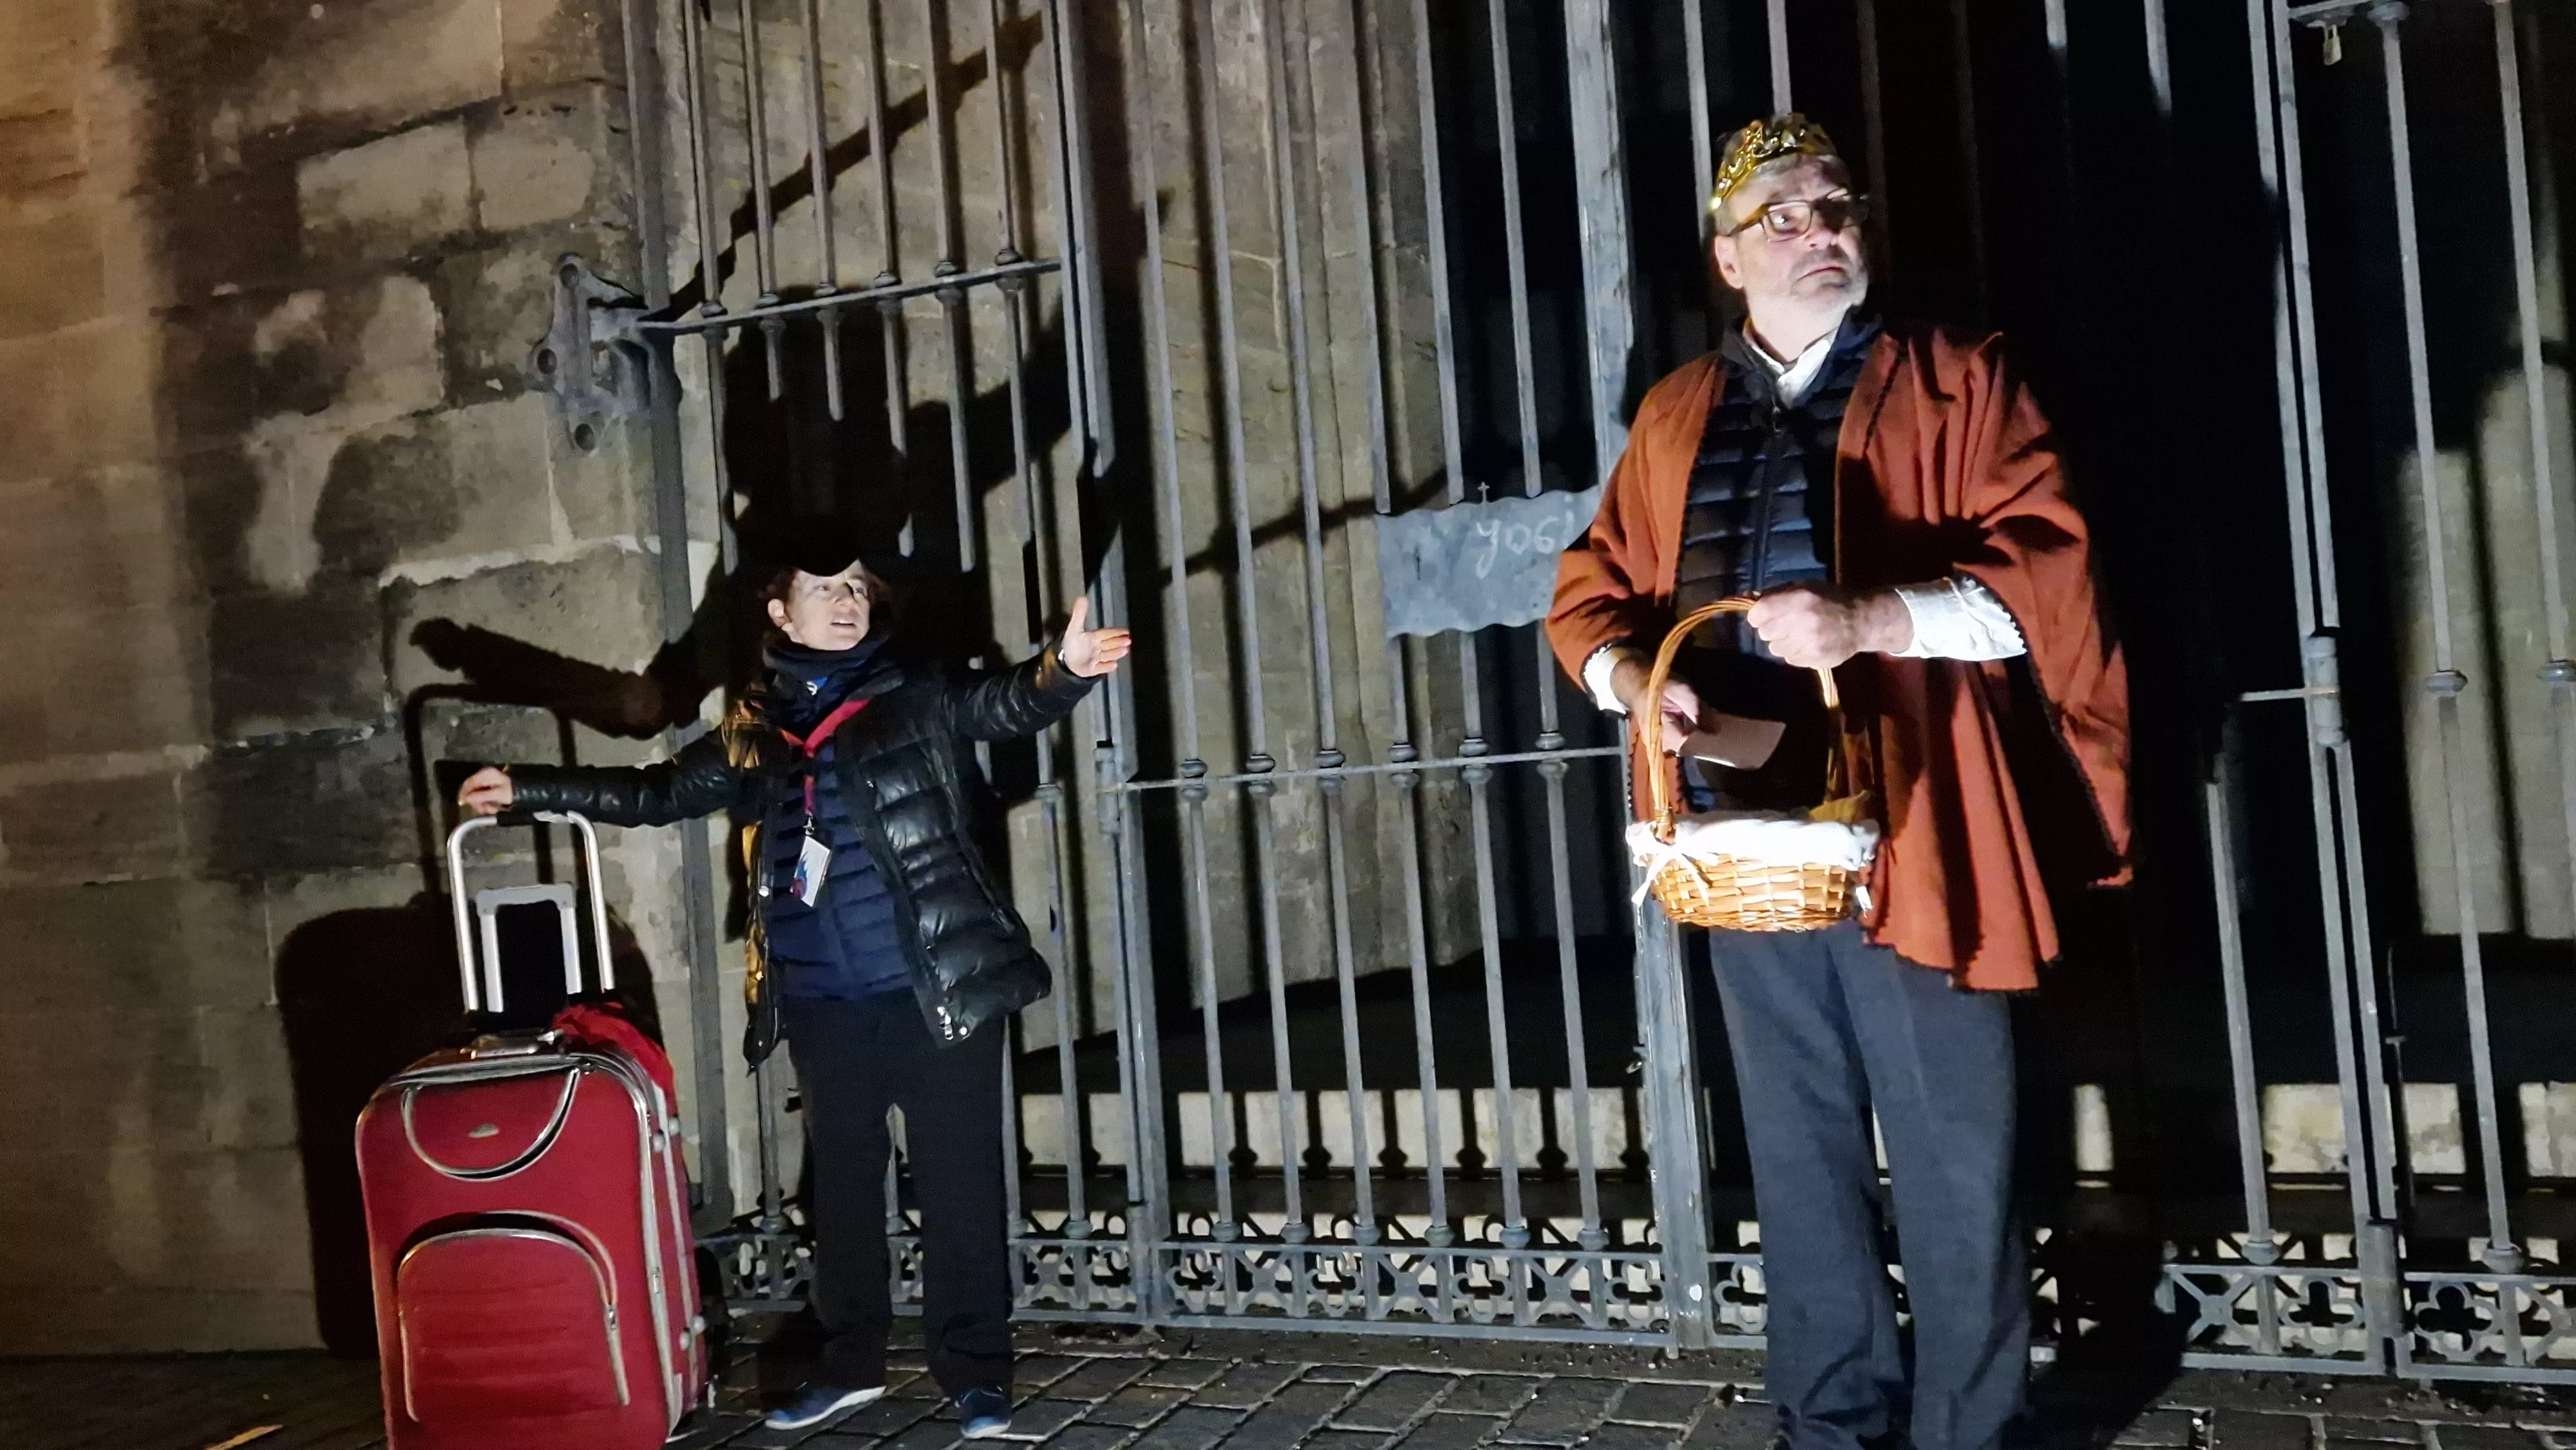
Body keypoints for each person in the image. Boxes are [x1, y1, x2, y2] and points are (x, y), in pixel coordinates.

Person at [1549, 115, 2128, 1450]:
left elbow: (2050, 581)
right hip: (1742, 832)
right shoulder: (1672, 411)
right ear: (1725, 258)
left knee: (1947, 1151)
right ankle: (1826, 1423)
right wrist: (1635, 682)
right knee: (1798, 1152)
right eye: (1787, 218)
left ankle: (1963, 1432)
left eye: (1837, 210)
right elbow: (1588, 596)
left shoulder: (1953, 376)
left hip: (1920, 819)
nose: (1823, 234)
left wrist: (1873, 620)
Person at [455, 533, 1132, 1438]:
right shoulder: (753, 728)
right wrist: (535, 789)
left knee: (961, 1185)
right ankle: (849, 1362)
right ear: (781, 611)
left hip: (936, 990)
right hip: (820, 1000)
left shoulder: (913, 698)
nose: (847, 602)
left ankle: (975, 1371)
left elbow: (1001, 704)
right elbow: (658, 792)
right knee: (843, 1193)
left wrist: (1065, 672)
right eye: (825, 589)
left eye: (857, 588)